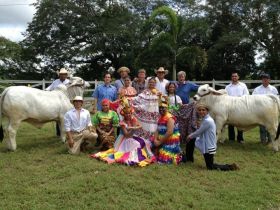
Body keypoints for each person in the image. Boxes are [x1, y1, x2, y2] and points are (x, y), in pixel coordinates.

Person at [187, 103, 239, 171]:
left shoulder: (207, 121)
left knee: (210, 166)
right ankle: (189, 159)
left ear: (207, 111)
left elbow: (198, 132)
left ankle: (230, 167)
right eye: (199, 110)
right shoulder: (206, 119)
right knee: (191, 141)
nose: (201, 111)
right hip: (205, 142)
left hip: (209, 146)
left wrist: (189, 136)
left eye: (203, 110)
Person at [154, 96, 182, 164]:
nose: (161, 109)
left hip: (170, 140)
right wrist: (155, 140)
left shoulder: (169, 118)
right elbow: (157, 130)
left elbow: (170, 132)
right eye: (160, 108)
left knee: (164, 158)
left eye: (163, 108)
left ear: (167, 108)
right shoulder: (160, 117)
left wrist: (159, 142)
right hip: (162, 139)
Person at [252, 73, 279, 144]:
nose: (265, 80)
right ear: (262, 80)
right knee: (262, 127)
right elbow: (253, 99)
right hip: (261, 112)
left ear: (269, 80)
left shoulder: (273, 89)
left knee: (271, 126)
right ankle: (263, 140)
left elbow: (276, 99)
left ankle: (270, 140)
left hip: (271, 112)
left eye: (267, 79)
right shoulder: (257, 89)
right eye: (264, 79)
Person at [225, 71, 249, 143]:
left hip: (240, 106)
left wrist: (240, 100)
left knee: (240, 123)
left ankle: (240, 138)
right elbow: (225, 97)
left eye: (235, 76)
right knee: (230, 123)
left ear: (238, 77)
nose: (234, 77)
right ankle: (231, 139)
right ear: (231, 77)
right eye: (233, 76)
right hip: (230, 107)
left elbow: (246, 94)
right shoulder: (227, 87)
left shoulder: (243, 85)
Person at [46, 68, 70, 136]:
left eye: (64, 74)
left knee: (68, 117)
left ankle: (68, 132)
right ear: (59, 75)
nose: (62, 76)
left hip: (67, 102)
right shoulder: (55, 82)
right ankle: (59, 133)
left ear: (66, 75)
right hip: (57, 102)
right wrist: (45, 91)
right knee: (58, 117)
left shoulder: (69, 82)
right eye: (61, 74)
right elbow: (50, 88)